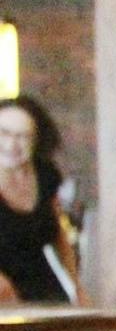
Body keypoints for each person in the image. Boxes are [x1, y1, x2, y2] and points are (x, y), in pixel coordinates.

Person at [0, 94, 77, 305]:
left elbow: (59, 237)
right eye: (4, 134)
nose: (11, 145)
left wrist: (77, 287)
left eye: (23, 136)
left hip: (43, 290)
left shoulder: (45, 174)